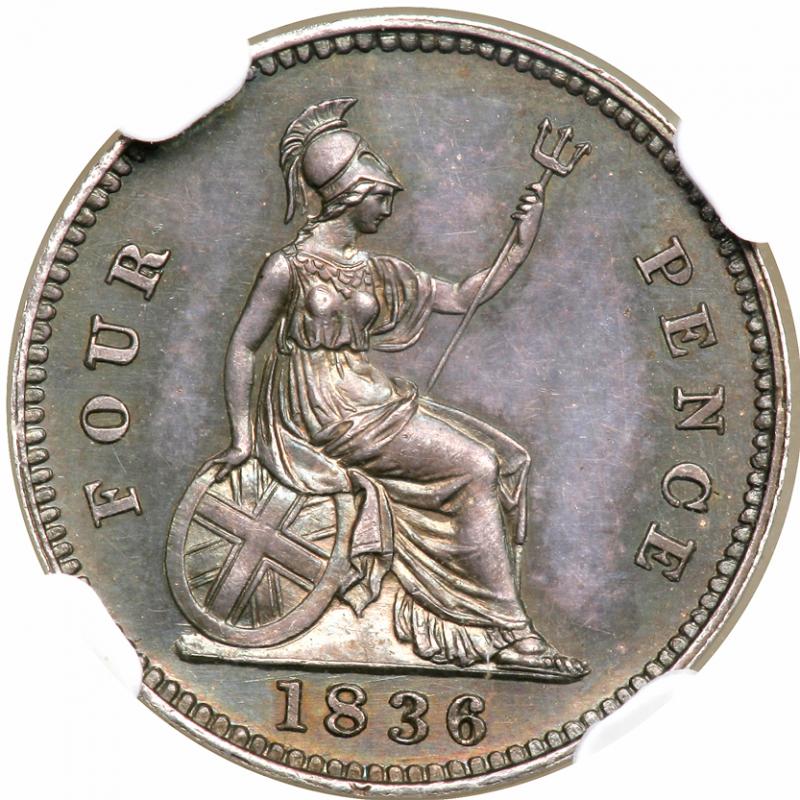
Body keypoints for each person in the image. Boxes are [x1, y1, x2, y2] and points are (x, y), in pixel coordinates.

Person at [207, 97, 587, 679]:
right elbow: (242, 346)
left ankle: (480, 618)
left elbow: (462, 296)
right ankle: (513, 634)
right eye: (382, 196)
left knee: (505, 458)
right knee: (476, 465)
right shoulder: (287, 267)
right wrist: (242, 436)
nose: (389, 208)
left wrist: (520, 241)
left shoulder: (376, 270)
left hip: (369, 399)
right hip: (322, 410)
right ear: (350, 193)